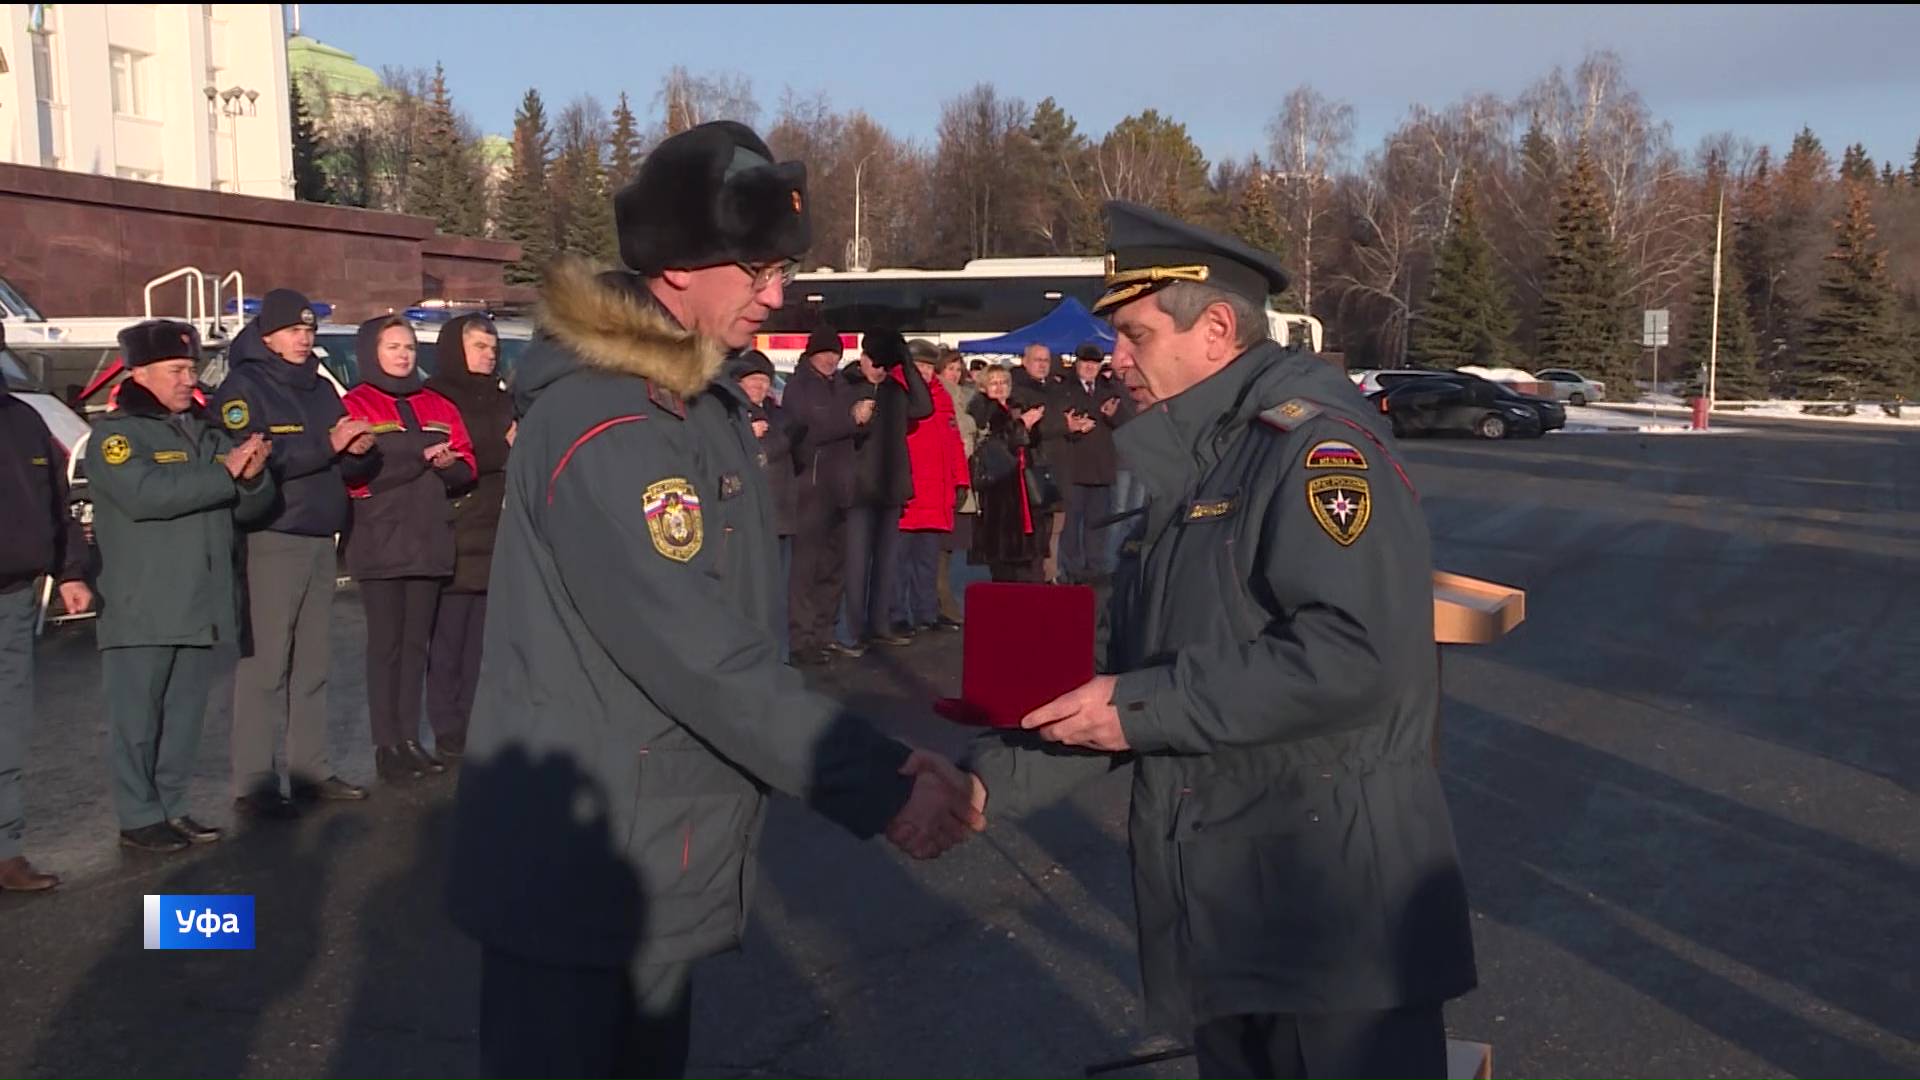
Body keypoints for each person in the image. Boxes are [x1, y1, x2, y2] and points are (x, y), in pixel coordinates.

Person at [443, 120, 980, 1080]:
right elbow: (700, 654)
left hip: (641, 848)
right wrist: (877, 778)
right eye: (758, 271)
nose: (775, 298)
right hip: (581, 864)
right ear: (681, 267)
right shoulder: (612, 420)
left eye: (780, 273)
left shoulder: (692, 398)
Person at [965, 202, 1477, 1080]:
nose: (1115, 359)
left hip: (1331, 924)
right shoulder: (1196, 468)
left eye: (1133, 333)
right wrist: (985, 784)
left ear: (1213, 331)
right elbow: (1139, 685)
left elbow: (1350, 657)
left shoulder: (1315, 453)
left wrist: (1134, 708)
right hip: (1233, 914)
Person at [87, 321, 277, 853]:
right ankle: (137, 814)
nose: (185, 378)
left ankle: (171, 806)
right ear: (139, 372)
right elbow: (146, 494)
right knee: (138, 718)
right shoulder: (118, 436)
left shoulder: (205, 429)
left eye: (190, 368)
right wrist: (227, 475)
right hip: (143, 601)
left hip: (202, 598)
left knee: (184, 717)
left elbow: (250, 507)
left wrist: (256, 477)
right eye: (175, 370)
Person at [219, 288, 374, 818]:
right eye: (293, 330)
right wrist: (328, 447)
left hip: (317, 534)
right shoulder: (245, 386)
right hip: (273, 532)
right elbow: (258, 456)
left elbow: (337, 455)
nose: (304, 338)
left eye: (308, 330)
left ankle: (309, 769)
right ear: (268, 337)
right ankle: (255, 781)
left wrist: (356, 453)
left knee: (313, 664)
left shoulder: (317, 386)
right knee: (266, 666)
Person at [341, 316, 476, 783]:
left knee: (416, 646)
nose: (403, 355)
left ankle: (411, 738)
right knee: (386, 647)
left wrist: (449, 465)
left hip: (428, 538)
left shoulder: (438, 403)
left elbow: (467, 466)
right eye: (393, 346)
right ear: (371, 351)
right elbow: (352, 473)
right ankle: (386, 744)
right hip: (380, 540)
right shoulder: (355, 402)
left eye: (409, 347)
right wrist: (412, 458)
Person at [0, 336, 92, 890]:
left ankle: (5, 848)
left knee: (8, 726)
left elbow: (56, 502)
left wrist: (71, 569)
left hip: (13, 596)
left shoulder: (26, 420)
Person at [424, 314, 514, 761]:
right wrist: (503, 446)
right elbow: (462, 452)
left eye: (492, 346)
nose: (489, 353)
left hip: (497, 526)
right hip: (456, 525)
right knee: (448, 638)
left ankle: (478, 717)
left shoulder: (501, 396)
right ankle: (447, 725)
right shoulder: (438, 396)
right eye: (479, 345)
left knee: (483, 638)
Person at [841, 331, 932, 650]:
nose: (878, 369)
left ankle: (878, 623)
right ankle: (853, 629)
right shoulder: (847, 386)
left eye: (884, 364)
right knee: (856, 564)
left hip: (890, 488)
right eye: (874, 362)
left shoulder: (894, 390)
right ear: (862, 358)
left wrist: (905, 363)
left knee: (886, 563)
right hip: (859, 489)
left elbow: (924, 407)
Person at [782, 327, 864, 664]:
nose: (832, 360)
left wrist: (861, 419)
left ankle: (825, 633)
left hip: (842, 487)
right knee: (806, 570)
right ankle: (801, 641)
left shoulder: (842, 385)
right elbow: (809, 428)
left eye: (836, 354)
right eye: (826, 353)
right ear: (812, 354)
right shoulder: (798, 386)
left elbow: (863, 426)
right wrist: (851, 419)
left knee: (834, 566)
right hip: (811, 488)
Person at [726, 348, 798, 660]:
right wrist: (747, 434)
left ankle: (776, 652)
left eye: (763, 381)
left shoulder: (779, 415)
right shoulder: (729, 416)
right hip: (747, 517)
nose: (758, 387)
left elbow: (789, 441)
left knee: (776, 591)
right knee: (748, 589)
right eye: (752, 381)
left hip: (779, 513)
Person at [1054, 342, 1130, 584]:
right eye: (1085, 363)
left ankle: (1094, 567)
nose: (1089, 367)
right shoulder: (1064, 389)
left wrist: (1113, 415)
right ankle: (1072, 569)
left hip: (1102, 468)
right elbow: (1058, 423)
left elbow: (1127, 421)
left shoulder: (1110, 389)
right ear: (1077, 363)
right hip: (1074, 467)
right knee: (1071, 524)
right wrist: (1072, 428)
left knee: (1097, 523)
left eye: (1094, 364)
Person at [966, 367, 1047, 583]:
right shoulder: (984, 408)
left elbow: (1030, 441)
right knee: (1003, 544)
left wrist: (1029, 426)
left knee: (1022, 544)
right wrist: (1023, 424)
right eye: (994, 382)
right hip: (998, 482)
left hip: (1018, 478)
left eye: (1003, 382)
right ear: (983, 386)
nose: (1000, 387)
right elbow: (1000, 442)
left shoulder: (1013, 407)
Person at [1011, 343, 1067, 582]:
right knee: (1036, 529)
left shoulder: (1055, 388)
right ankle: (1036, 577)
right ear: (1025, 361)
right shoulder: (1018, 390)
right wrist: (1065, 426)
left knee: (1055, 528)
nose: (1042, 364)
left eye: (1046, 360)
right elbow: (1032, 431)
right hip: (1034, 467)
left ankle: (1050, 574)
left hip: (1058, 464)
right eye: (1037, 359)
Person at [933, 348, 979, 626]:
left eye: (958, 369)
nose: (956, 373)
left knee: (949, 549)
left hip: (962, 476)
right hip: (948, 478)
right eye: (950, 368)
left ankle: (943, 601)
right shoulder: (943, 398)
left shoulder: (962, 398)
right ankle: (943, 603)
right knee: (941, 547)